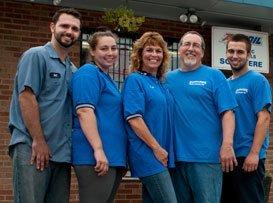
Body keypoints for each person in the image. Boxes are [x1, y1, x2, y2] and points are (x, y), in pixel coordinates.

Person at [8, 8, 82, 203]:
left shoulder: (73, 70)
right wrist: (38, 140)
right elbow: (26, 97)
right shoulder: (36, 56)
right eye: (64, 26)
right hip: (32, 147)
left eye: (74, 28)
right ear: (52, 27)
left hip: (61, 155)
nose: (69, 31)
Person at [166, 31, 237, 203]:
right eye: (186, 44)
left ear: (203, 53)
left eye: (196, 45)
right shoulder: (166, 78)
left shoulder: (214, 76)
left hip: (206, 159)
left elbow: (228, 112)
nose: (191, 49)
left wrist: (227, 145)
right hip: (174, 160)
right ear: (179, 49)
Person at [70, 30, 127, 203]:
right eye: (104, 48)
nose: (110, 53)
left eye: (114, 48)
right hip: (94, 157)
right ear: (92, 51)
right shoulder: (88, 73)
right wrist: (98, 149)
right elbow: (84, 111)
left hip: (112, 156)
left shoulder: (105, 77)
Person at [123, 32, 177, 203]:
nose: (154, 54)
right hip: (148, 154)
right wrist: (156, 148)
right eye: (149, 50)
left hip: (162, 154)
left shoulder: (160, 83)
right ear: (140, 54)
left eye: (158, 51)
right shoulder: (135, 80)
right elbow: (134, 119)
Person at [221, 34, 272, 203]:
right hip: (228, 156)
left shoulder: (257, 81)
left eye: (240, 52)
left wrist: (254, 153)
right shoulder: (225, 84)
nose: (235, 56)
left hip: (247, 157)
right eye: (231, 51)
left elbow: (264, 118)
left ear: (249, 55)